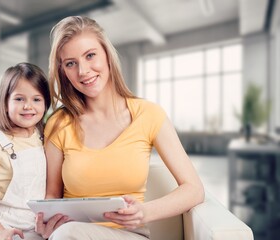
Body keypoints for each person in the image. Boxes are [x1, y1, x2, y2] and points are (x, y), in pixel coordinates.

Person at [36, 16, 205, 239]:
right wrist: (46, 222)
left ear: (107, 55)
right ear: (64, 72)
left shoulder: (148, 114)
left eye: (90, 55)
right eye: (71, 63)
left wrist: (145, 212)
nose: (83, 71)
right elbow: (53, 194)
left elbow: (194, 189)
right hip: (70, 233)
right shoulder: (59, 124)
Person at [0, 63, 64, 240]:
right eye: (19, 99)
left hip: (34, 227)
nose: (28, 106)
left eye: (36, 99)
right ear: (5, 103)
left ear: (46, 103)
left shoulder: (46, 136)